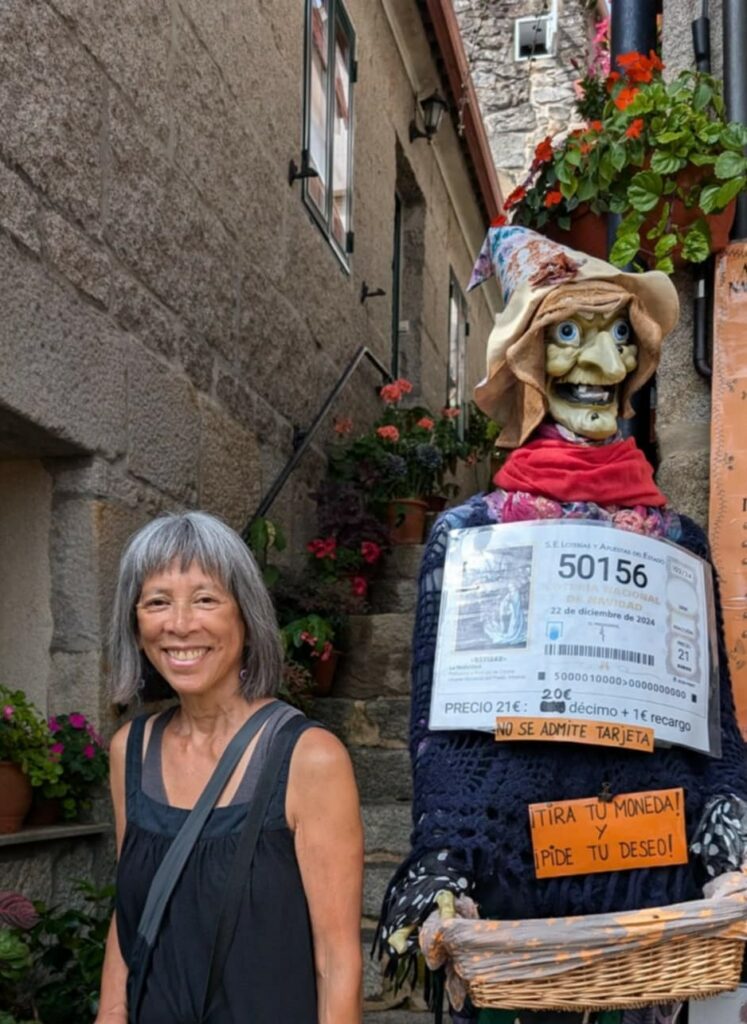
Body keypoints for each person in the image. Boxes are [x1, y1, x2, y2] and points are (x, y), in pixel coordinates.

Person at [377, 226, 747, 1023]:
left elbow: (714, 733)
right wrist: (442, 865)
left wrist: (727, 849)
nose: (603, 365)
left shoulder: (678, 546)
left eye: (621, 338)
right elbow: (441, 739)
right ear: (529, 364)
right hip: (514, 909)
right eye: (571, 336)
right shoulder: (470, 539)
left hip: (648, 907)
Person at [96, 511, 364, 1024]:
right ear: (135, 623)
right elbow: (132, 911)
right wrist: (110, 1012)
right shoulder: (130, 751)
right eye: (157, 602)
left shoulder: (308, 758)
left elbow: (337, 962)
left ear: (245, 617)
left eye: (205, 599)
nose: (178, 624)